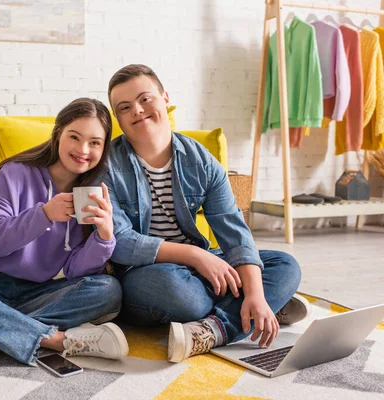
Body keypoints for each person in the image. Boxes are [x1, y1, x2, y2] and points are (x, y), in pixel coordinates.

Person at [102, 64, 309, 363]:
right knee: (183, 296)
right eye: (125, 107)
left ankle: (218, 327)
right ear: (118, 118)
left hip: (201, 267)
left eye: (145, 99)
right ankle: (255, 307)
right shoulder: (107, 166)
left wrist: (254, 291)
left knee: (285, 264)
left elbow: (235, 233)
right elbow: (119, 242)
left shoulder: (201, 161)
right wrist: (196, 256)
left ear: (165, 98)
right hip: (147, 274)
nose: (137, 110)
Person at [0, 98, 129, 366]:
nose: (83, 149)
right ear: (58, 134)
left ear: (103, 148)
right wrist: (44, 214)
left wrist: (104, 236)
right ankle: (54, 340)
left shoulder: (91, 190)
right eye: (74, 137)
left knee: (108, 290)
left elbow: (75, 271)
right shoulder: (13, 174)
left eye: (94, 142)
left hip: (36, 288)